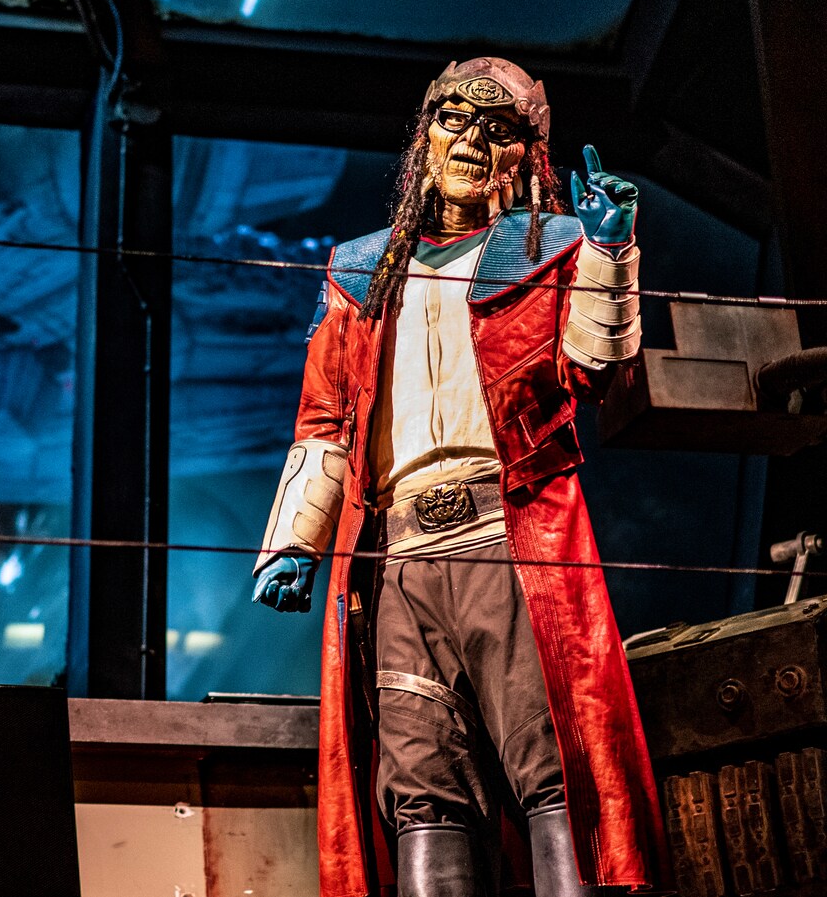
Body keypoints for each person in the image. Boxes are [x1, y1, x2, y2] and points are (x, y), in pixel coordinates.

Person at [250, 57, 667, 897]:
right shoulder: (362, 271)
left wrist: (609, 251)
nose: (472, 139)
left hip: (509, 545)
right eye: (454, 119)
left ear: (527, 152)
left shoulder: (551, 250)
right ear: (425, 135)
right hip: (400, 561)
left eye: (498, 127)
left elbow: (595, 364)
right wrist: (294, 539)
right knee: (421, 789)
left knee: (555, 771)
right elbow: (328, 415)